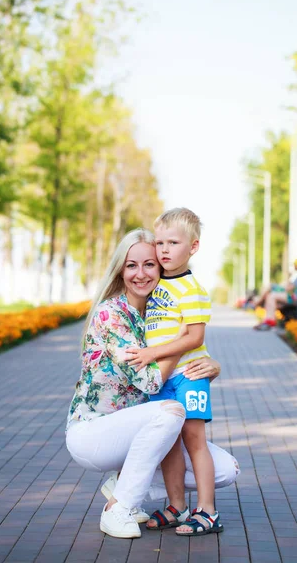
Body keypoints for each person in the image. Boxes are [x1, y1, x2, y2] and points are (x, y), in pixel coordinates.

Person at [65, 228, 239, 540]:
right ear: (121, 269)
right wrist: (184, 342)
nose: (141, 274)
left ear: (161, 267)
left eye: (149, 264)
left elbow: (187, 348)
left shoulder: (162, 313)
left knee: (225, 469)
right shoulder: (112, 315)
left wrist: (211, 364)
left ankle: (128, 481)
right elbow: (150, 380)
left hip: (141, 431)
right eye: (132, 265)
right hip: (94, 433)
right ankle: (119, 507)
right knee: (170, 411)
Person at [124, 208, 232, 537]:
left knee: (194, 440)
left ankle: (208, 511)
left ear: (193, 247)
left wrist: (150, 353)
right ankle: (176, 506)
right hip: (163, 379)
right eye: (160, 242)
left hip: (189, 373)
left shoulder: (191, 289)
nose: (165, 249)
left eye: (174, 242)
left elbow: (195, 337)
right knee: (169, 441)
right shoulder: (157, 286)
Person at [253, 258, 297, 331]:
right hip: (294, 297)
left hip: (295, 298)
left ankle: (263, 312)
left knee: (271, 294)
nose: (294, 266)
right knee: (270, 295)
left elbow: (289, 288)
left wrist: (277, 287)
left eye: (295, 265)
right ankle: (267, 321)